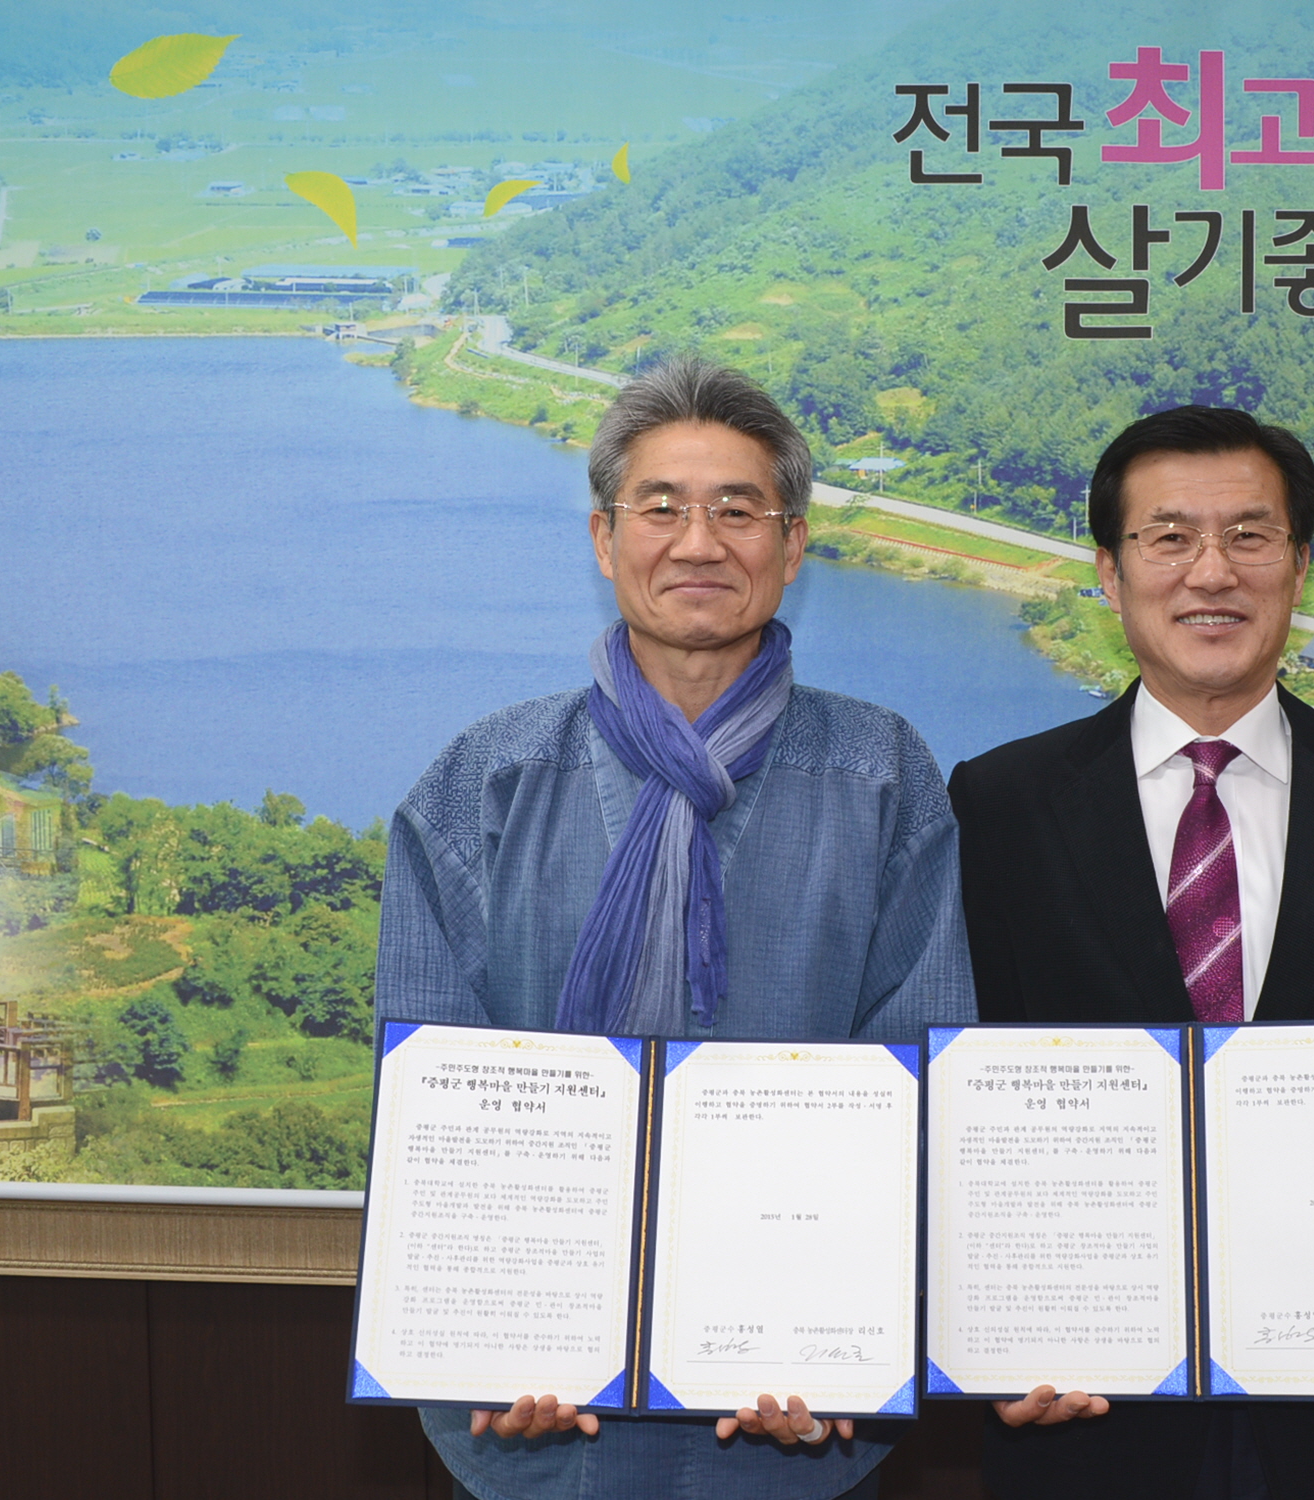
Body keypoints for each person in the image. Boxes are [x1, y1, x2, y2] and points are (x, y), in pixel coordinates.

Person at [374, 357, 974, 1500]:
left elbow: (925, 1086)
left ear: (793, 545)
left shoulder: (882, 775)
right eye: (661, 508)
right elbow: (431, 1111)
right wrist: (488, 1338)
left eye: (738, 511)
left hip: (796, 1421)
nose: (699, 543)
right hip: (535, 1423)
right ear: (604, 540)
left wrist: (842, 1342)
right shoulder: (486, 781)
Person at [946, 406, 1314, 1500]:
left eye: (1250, 535)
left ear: (1299, 567)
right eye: (1168, 537)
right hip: (1086, 1407)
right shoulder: (1003, 800)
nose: (1212, 571)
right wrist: (991, 1319)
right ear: (1109, 573)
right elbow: (973, 1091)